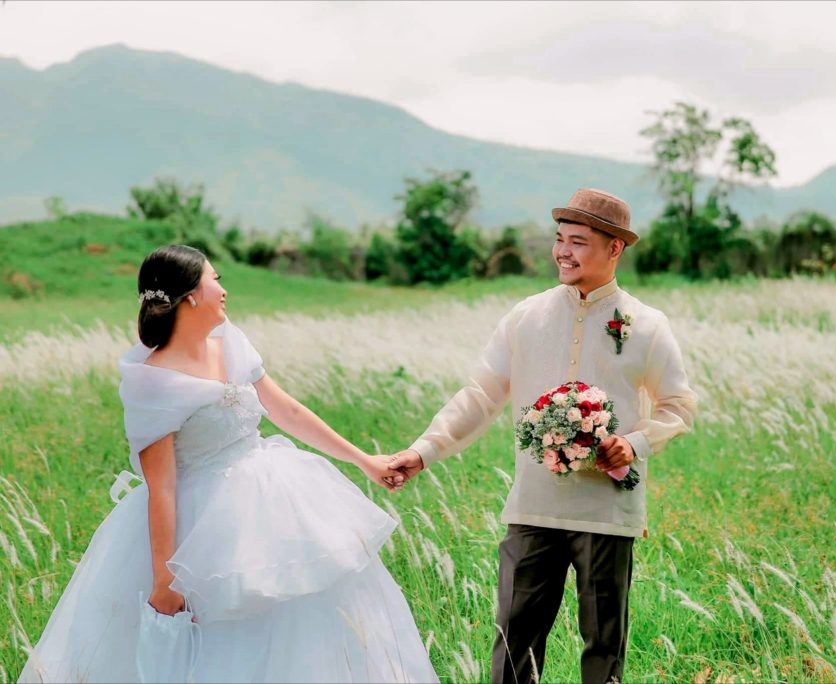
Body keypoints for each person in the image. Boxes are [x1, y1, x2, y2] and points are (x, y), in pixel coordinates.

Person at [19, 245, 437, 683]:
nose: (224, 289)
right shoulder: (152, 382)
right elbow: (160, 486)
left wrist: (364, 461)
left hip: (277, 501)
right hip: (203, 529)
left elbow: (286, 411)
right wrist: (165, 581)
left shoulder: (229, 341)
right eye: (215, 279)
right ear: (191, 295)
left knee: (311, 624)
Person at [388, 188, 699, 684]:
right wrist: (423, 451)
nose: (563, 252)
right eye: (560, 240)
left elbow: (679, 406)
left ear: (615, 248)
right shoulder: (525, 316)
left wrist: (634, 444)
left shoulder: (646, 325)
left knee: (603, 650)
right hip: (532, 506)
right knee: (513, 648)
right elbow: (480, 396)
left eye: (578, 241)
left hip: (607, 509)